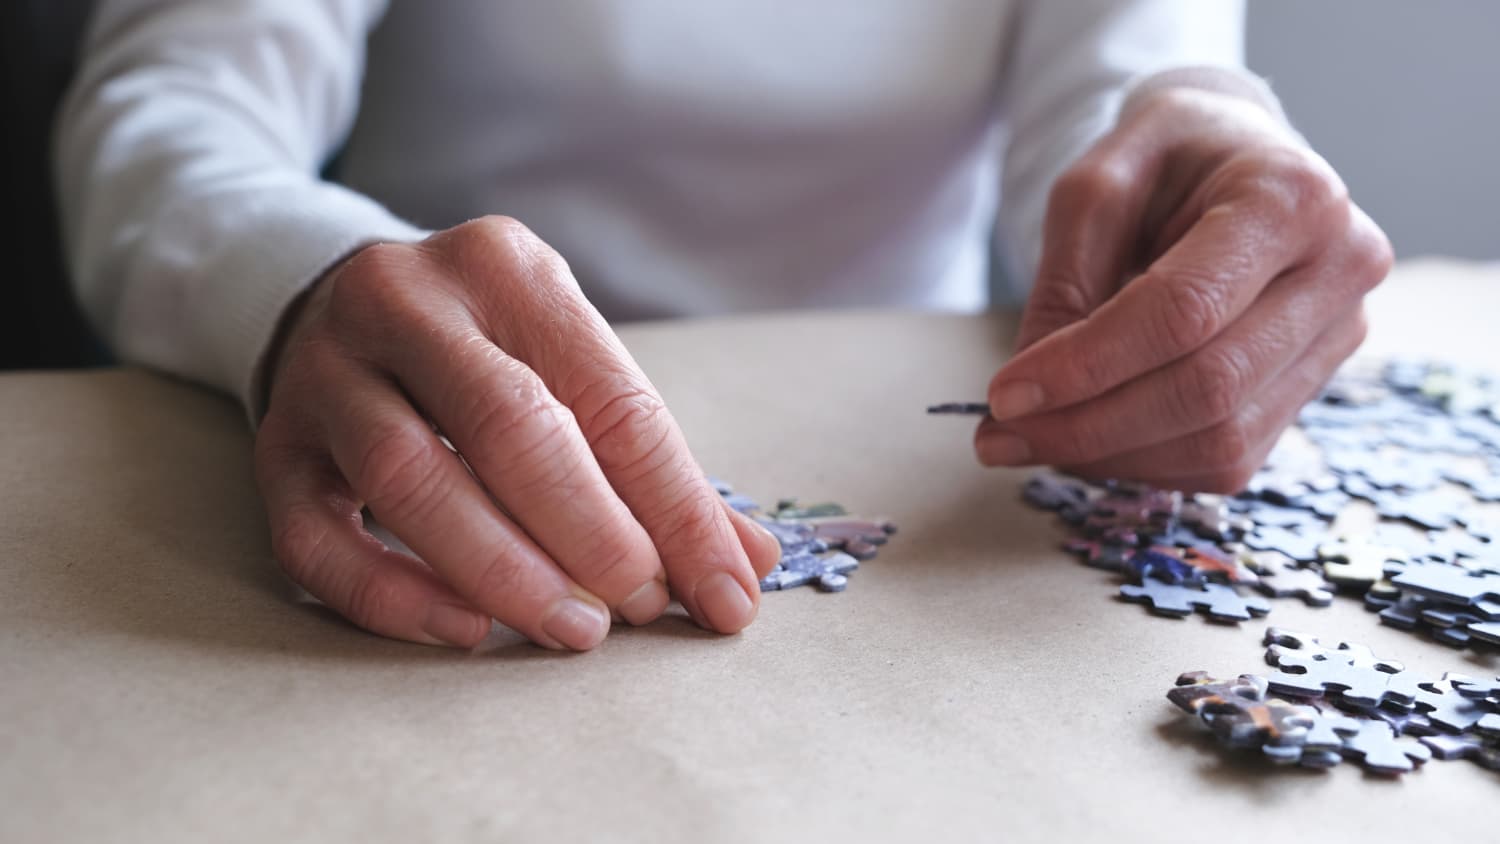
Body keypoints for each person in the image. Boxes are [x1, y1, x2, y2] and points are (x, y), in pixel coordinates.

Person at [54, 1, 1391, 653]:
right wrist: (302, 278)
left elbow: (1126, 118)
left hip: (920, 487)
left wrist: (1214, 155)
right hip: (429, 433)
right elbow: (172, 110)